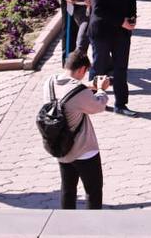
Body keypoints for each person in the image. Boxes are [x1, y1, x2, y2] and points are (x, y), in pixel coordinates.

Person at [48, 52, 113, 209]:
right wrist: (101, 89)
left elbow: (71, 91)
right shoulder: (79, 92)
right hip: (84, 150)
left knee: (68, 190)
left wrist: (88, 86)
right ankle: (91, 223)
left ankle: (67, 222)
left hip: (61, 147)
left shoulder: (50, 83)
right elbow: (98, 106)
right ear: (82, 69)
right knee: (93, 191)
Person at [91, 0, 137, 116]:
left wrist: (132, 18)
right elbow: (98, 10)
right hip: (102, 32)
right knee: (100, 67)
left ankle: (121, 104)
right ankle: (93, 99)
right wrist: (121, 21)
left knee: (121, 68)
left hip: (122, 32)